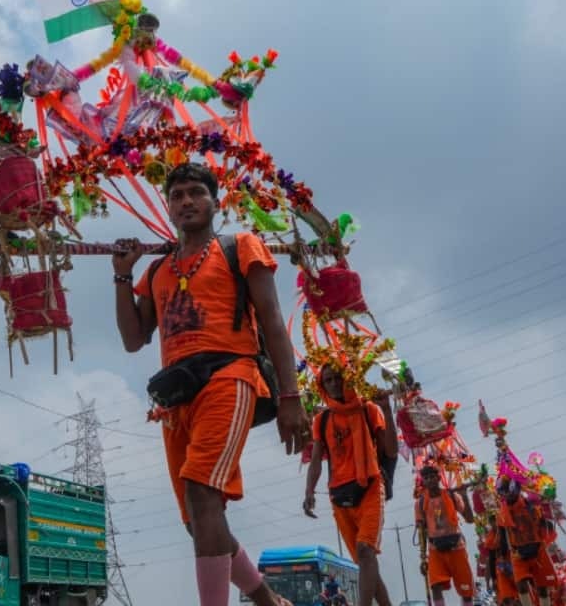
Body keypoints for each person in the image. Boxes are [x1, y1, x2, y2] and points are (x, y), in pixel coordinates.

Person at [112, 163, 310, 606]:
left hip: (230, 376)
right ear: (168, 206)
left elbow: (275, 323)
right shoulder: (159, 268)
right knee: (197, 520)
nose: (186, 201)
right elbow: (132, 339)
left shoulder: (240, 246)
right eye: (177, 195)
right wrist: (123, 276)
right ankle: (267, 600)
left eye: (195, 193)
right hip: (174, 397)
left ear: (214, 201)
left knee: (203, 494)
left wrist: (290, 397)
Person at [302, 366, 398, 606]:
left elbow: (391, 451)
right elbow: (316, 460)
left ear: (347, 379)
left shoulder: (368, 409)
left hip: (370, 489)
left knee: (366, 551)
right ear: (322, 385)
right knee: (366, 564)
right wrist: (309, 492)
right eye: (329, 380)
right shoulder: (322, 419)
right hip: (339, 496)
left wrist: (387, 410)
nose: (334, 384)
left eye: (338, 378)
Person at [415, 465, 477, 605]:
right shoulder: (420, 504)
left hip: (457, 548)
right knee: (435, 586)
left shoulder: (452, 496)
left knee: (466, 591)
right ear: (423, 481)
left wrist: (464, 495)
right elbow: (421, 531)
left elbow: (469, 519)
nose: (430, 480)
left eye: (432, 476)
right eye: (426, 478)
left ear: (438, 478)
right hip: (435, 551)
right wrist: (423, 557)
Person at [495, 478, 557, 606]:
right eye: (504, 492)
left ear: (516, 490)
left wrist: (547, 506)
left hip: (538, 550)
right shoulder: (502, 513)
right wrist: (503, 558)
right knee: (521, 585)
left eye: (509, 491)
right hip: (518, 554)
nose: (507, 495)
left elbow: (546, 523)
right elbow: (502, 537)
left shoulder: (531, 504)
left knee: (543, 588)